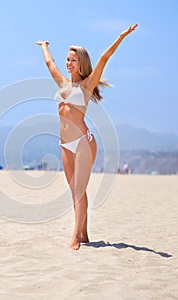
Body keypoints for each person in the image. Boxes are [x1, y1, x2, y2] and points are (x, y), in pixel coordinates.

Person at [36, 24, 138, 250]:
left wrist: (121, 37)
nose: (68, 63)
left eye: (73, 60)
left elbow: (104, 58)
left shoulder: (86, 85)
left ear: (80, 62)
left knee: (79, 190)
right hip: (64, 144)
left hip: (83, 142)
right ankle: (84, 233)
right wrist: (44, 46)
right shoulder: (62, 83)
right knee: (74, 191)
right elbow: (49, 63)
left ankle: (75, 237)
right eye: (67, 59)